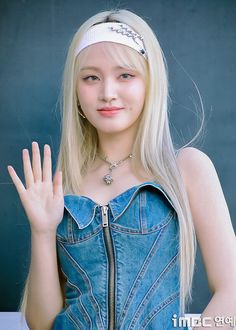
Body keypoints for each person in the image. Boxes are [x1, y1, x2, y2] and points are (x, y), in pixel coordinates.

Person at [7, 8, 236, 330]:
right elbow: (41, 323)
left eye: (125, 75)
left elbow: (233, 293)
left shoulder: (187, 169)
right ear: (75, 91)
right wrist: (43, 232)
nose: (107, 92)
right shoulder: (64, 181)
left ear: (149, 83)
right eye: (91, 77)